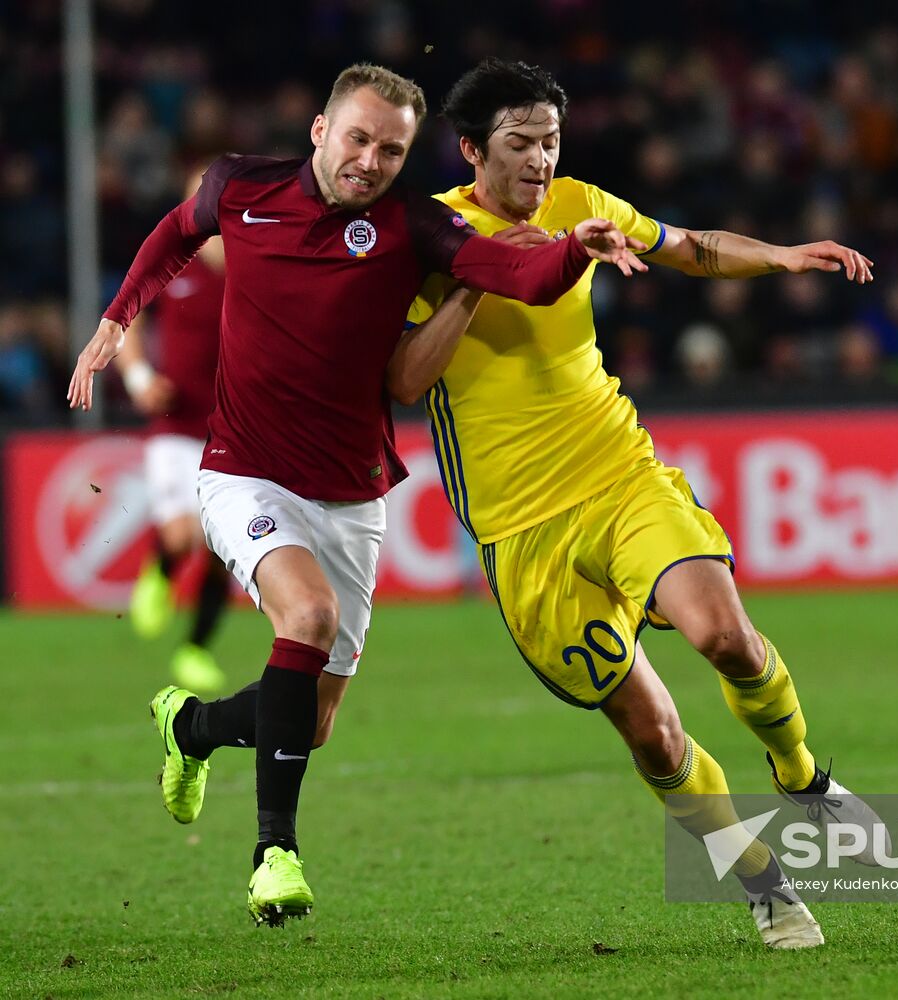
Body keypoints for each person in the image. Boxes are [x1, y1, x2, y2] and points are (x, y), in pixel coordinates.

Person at [68, 62, 645, 927]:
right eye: (358, 139)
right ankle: (275, 855)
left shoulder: (413, 227)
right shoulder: (239, 188)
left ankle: (188, 729)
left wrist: (574, 249)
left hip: (352, 494)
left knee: (311, 719)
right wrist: (117, 318)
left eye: (390, 149)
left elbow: (514, 275)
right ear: (319, 130)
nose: (369, 160)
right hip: (244, 470)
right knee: (304, 622)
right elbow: (170, 238)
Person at [400, 59, 878, 949]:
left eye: (550, 140)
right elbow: (403, 380)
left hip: (617, 471)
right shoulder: (424, 234)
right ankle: (760, 880)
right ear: (472, 150)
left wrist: (775, 256)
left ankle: (803, 775)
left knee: (724, 636)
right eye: (520, 144)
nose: (541, 161)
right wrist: (474, 276)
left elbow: (686, 244)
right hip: (519, 527)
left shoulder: (581, 198)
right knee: (655, 735)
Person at [118, 166, 232, 693]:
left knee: (220, 547)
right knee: (184, 536)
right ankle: (160, 570)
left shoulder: (256, 269)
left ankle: (195, 651)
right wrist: (139, 375)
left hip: (233, 432)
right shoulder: (172, 258)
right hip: (174, 424)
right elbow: (127, 318)